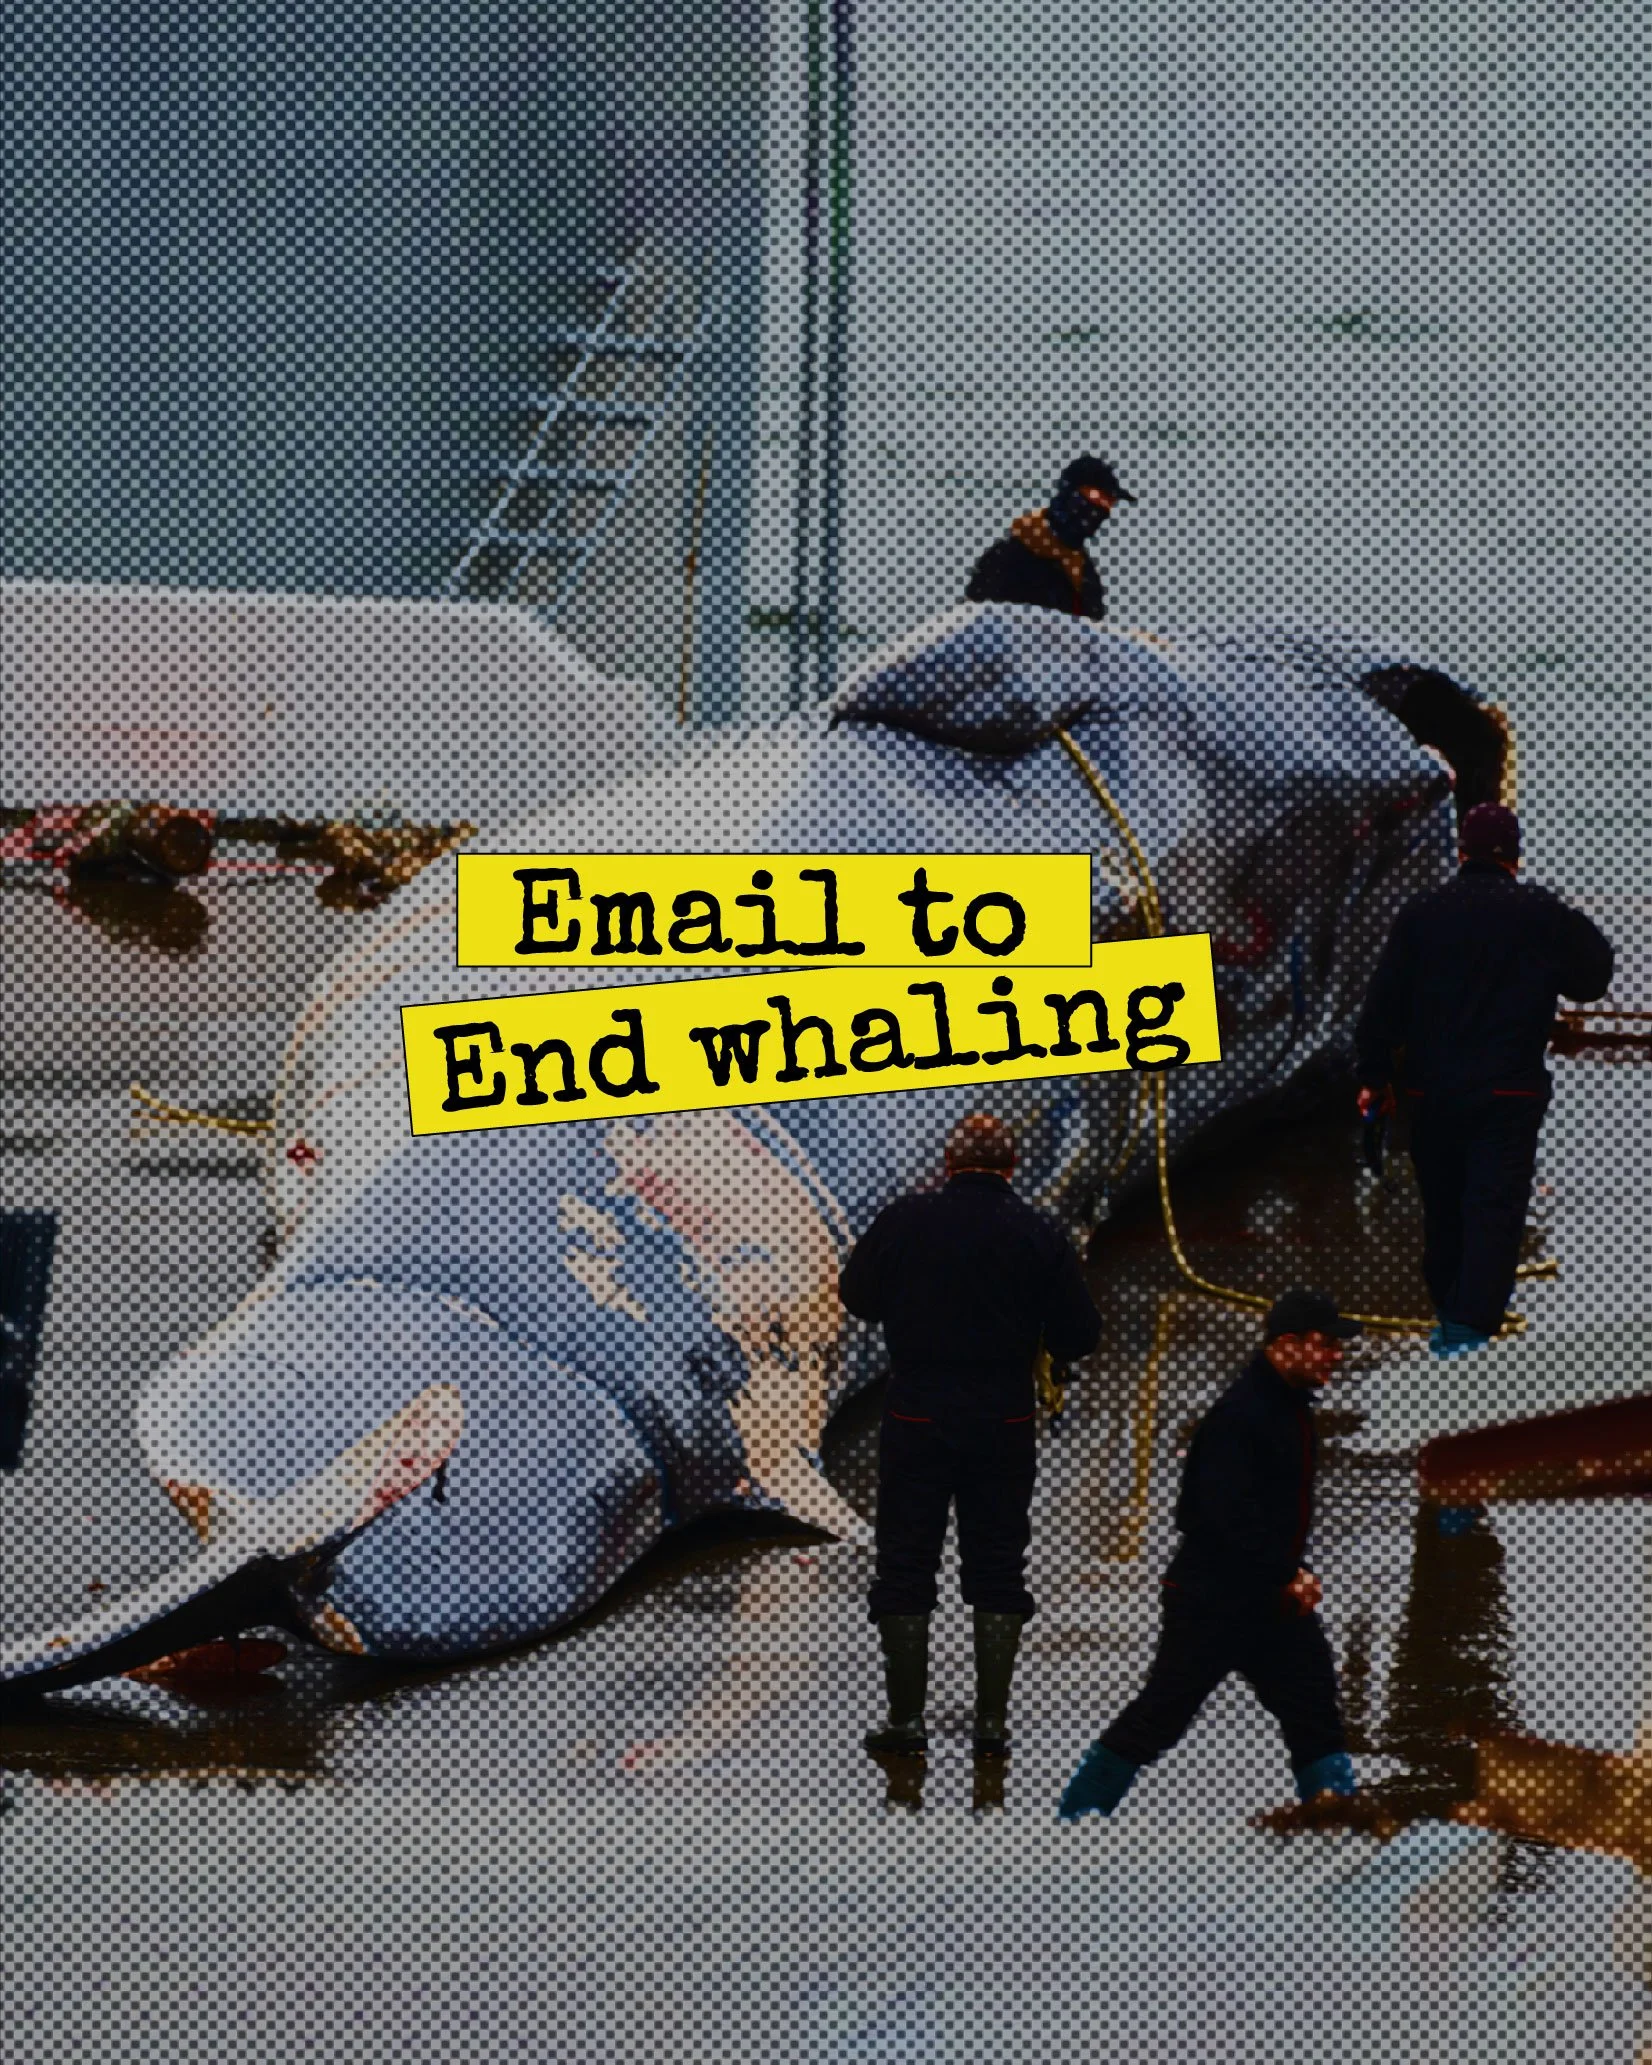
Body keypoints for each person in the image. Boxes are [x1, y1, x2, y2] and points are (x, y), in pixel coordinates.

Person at [839, 1113, 1101, 1758]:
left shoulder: (904, 1219)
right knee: (997, 1565)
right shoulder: (1041, 1234)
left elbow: (858, 1297)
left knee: (905, 1563)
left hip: (916, 1415)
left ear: (947, 1165)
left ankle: (906, 1722)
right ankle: (990, 1723)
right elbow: (1081, 1336)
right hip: (1003, 1420)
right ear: (1012, 1168)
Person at [1060, 1289, 1360, 1822]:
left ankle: (1338, 1816)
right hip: (1211, 1601)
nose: (1336, 1356)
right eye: (1325, 1345)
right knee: (1161, 1715)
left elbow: (1267, 1516)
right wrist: (1287, 1573)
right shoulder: (1244, 1414)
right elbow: (1216, 1517)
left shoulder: (1287, 1407)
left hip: (1267, 1599)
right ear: (1285, 1345)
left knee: (1314, 1705)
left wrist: (1293, 1574)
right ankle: (1077, 1815)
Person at [1354, 802, 1614, 1358]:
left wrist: (1374, 1076)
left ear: (1460, 852)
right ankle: (1469, 1339)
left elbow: (1381, 1007)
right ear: (1516, 859)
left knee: (1444, 1212)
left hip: (1432, 1093)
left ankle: (1450, 1317)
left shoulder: (1422, 914)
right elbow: (1595, 977)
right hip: (1508, 1096)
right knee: (1493, 1214)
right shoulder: (1539, 912)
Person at [964, 455, 1137, 621]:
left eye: (1108, 503)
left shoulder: (1082, 571)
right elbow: (973, 622)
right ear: (1067, 493)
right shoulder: (1010, 553)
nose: (1099, 510)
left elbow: (1091, 635)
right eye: (1093, 497)